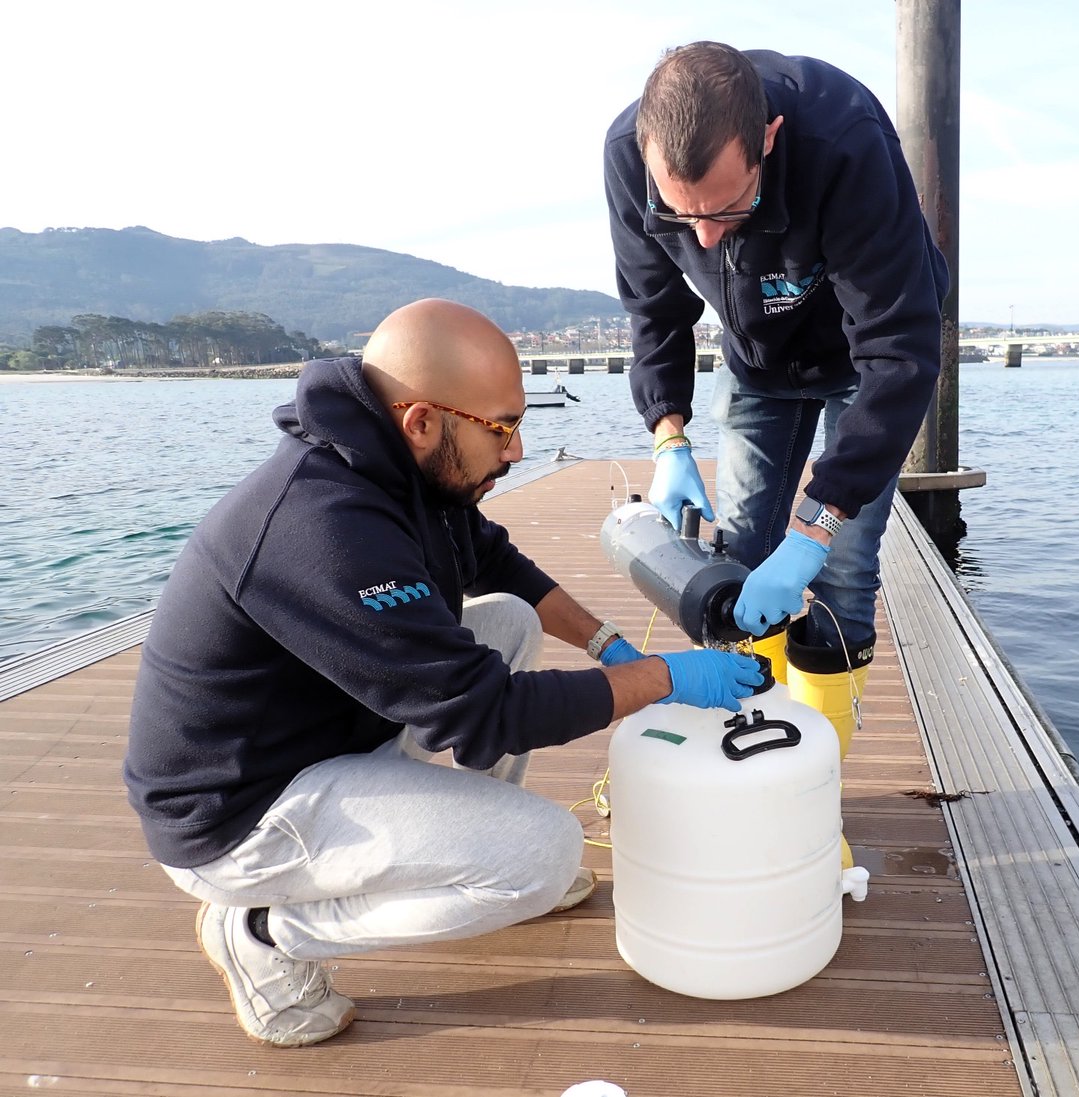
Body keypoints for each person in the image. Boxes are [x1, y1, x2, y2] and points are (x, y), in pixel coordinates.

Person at [124, 298, 762, 1048]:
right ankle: (264, 932)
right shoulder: (324, 529)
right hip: (238, 816)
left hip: (324, 738)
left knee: (509, 621)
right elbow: (486, 715)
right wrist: (660, 677)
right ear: (422, 420)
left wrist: (606, 643)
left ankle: (473, 835)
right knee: (544, 851)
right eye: (502, 428)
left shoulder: (405, 465)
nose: (518, 450)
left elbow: (493, 560)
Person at [602, 42, 949, 695]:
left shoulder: (844, 140)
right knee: (736, 560)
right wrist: (668, 436)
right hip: (757, 357)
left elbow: (898, 347)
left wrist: (816, 524)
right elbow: (654, 309)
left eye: (726, 208)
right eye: (682, 214)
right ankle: (752, 739)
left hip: (863, 358)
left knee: (839, 567)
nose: (702, 238)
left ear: (768, 139)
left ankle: (818, 761)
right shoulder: (627, 155)